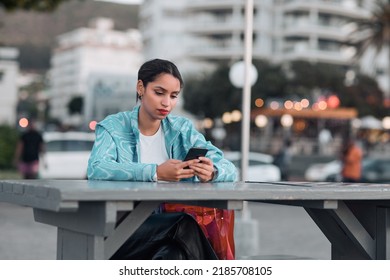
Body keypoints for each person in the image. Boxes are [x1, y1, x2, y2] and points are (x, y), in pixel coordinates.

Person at [87, 58, 238, 260]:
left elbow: (229, 168)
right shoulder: (113, 126)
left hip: (167, 231)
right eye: (159, 93)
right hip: (120, 229)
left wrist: (212, 172)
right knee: (182, 224)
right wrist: (156, 172)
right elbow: (97, 168)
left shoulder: (181, 129)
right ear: (141, 87)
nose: (167, 102)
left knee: (174, 255)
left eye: (173, 96)